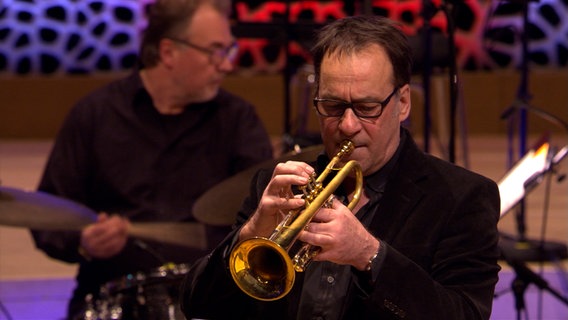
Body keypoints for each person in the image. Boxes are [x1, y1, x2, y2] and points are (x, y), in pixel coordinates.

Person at [180, 15, 501, 319]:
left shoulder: (462, 198)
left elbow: (465, 314)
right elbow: (199, 304)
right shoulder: (279, 185)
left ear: (402, 103)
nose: (347, 126)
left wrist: (370, 255)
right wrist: (251, 233)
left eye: (366, 108)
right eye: (332, 106)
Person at [30, 0, 273, 319]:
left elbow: (267, 217)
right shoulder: (95, 115)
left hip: (209, 294)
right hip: (113, 294)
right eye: (215, 51)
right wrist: (84, 241)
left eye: (228, 50)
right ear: (169, 52)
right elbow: (48, 212)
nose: (227, 65)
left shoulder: (238, 121)